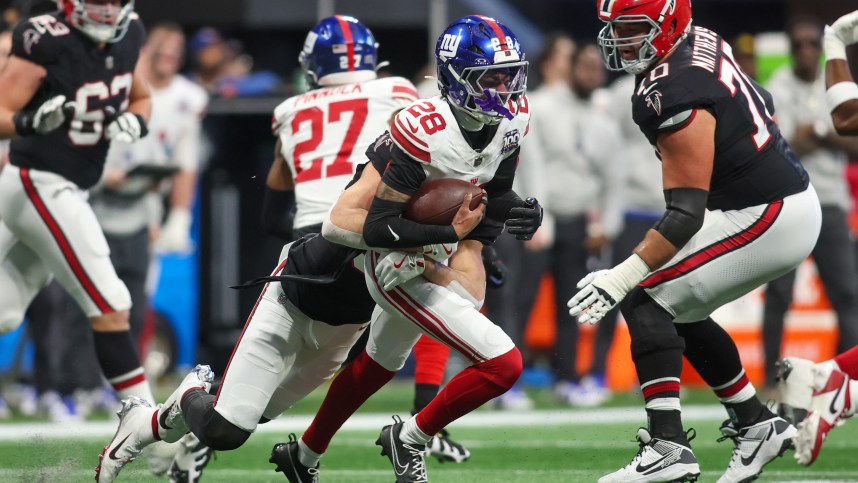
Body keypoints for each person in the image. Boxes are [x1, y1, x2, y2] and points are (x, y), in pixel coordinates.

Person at [269, 15, 541, 483]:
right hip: (393, 260)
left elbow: (494, 192)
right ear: (457, 77)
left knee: (378, 363)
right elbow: (377, 224)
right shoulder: (423, 127)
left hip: (434, 250)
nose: (505, 88)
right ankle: (411, 436)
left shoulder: (514, 117)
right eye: (491, 77)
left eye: (510, 75)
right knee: (503, 364)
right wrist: (451, 237)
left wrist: (520, 212)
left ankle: (305, 456)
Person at [568, 0, 822, 481]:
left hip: (768, 212)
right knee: (677, 306)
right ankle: (754, 424)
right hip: (773, 201)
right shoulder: (698, 41)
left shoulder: (673, 88)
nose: (619, 40)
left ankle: (668, 447)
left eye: (632, 28)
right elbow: (762, 100)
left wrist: (619, 277)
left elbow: (684, 215)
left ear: (667, 24)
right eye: (614, 29)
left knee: (644, 296)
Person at [0, 0, 155, 419]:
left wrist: (136, 123)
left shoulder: (131, 32)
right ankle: (149, 428)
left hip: (67, 187)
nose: (106, 10)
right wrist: (31, 121)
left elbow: (141, 97)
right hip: (38, 181)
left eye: (112, 1)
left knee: (6, 313)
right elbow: (1, 112)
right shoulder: (44, 37)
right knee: (110, 303)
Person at [775, 8, 858, 468]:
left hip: (828, 202)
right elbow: (845, 123)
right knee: (780, 296)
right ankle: (834, 387)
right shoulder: (781, 88)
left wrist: (836, 44)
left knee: (848, 297)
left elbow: (845, 119)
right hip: (797, 200)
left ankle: (828, 379)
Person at [521, 40, 623, 406]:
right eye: (585, 66)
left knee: (572, 304)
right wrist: (534, 219)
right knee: (522, 301)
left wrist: (605, 228)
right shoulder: (543, 107)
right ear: (571, 69)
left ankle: (565, 379)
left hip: (579, 224)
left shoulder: (602, 122)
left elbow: (614, 180)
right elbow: (530, 168)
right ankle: (508, 383)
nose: (592, 74)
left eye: (598, 68)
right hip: (542, 220)